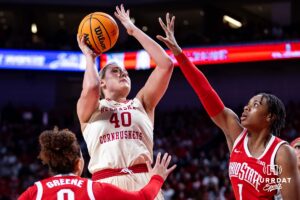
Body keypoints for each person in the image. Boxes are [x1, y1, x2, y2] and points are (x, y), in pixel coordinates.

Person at [156, 13, 300, 199]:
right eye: (248, 104)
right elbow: (206, 92)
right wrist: (179, 54)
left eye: (255, 105)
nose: (246, 108)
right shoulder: (235, 133)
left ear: (269, 116)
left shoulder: (281, 152)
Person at [76, 4, 174, 199]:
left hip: (144, 179)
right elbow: (91, 87)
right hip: (105, 183)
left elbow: (166, 64)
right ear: (103, 81)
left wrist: (132, 29)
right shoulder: (90, 109)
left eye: (125, 72)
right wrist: (89, 57)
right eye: (116, 71)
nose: (123, 73)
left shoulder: (142, 103)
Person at [18, 127, 176, 200]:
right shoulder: (93, 188)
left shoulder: (35, 192)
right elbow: (143, 197)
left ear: (50, 164)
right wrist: (157, 177)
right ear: (79, 164)